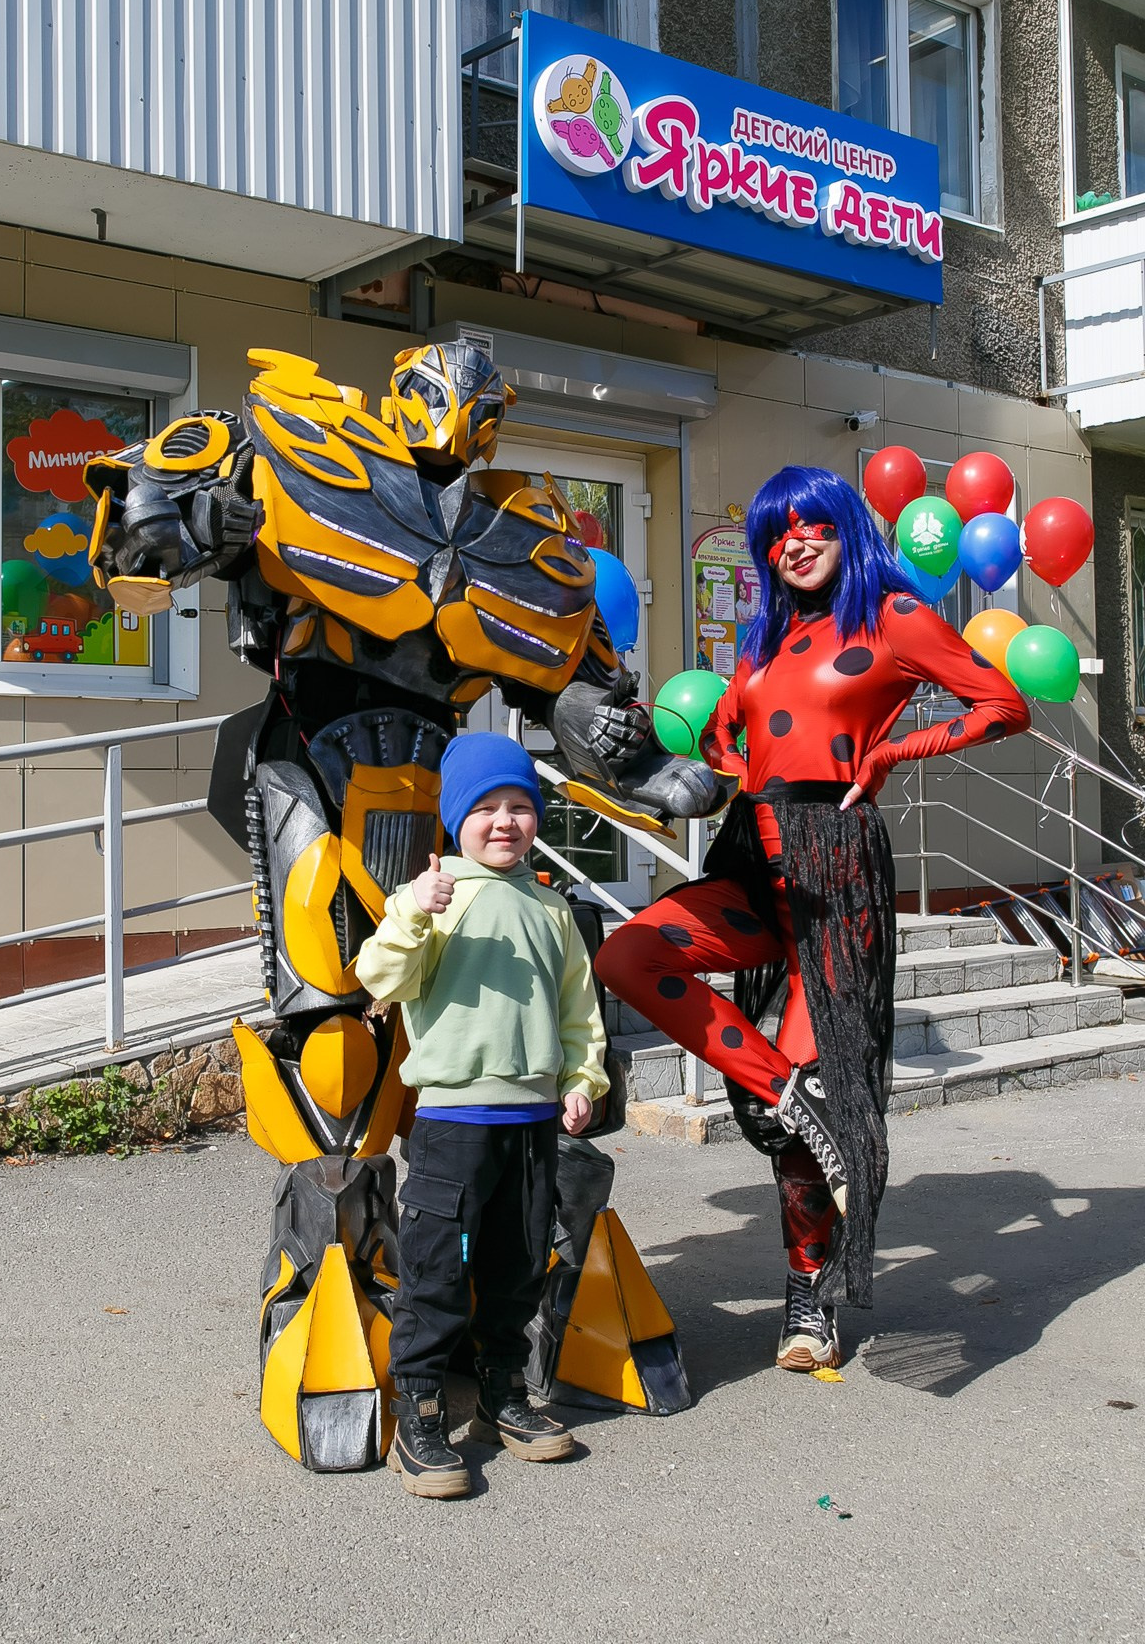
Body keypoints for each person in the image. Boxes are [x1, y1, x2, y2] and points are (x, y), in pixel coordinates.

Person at [596, 465, 1030, 1374]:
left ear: (845, 531)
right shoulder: (762, 646)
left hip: (835, 874)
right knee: (631, 955)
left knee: (801, 1124)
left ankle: (811, 1297)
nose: (795, 542)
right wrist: (704, 747)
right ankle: (795, 1099)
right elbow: (736, 746)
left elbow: (1005, 704)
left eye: (812, 525)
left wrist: (893, 753)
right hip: (750, 862)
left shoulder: (895, 621)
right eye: (777, 532)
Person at [355, 731, 609, 1499]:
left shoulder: (553, 909)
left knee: (518, 1266)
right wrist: (413, 915)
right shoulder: (432, 896)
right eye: (487, 808)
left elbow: (578, 1013)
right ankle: (423, 1409)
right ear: (457, 819)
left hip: (531, 1125)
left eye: (521, 807)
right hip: (453, 1125)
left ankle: (503, 1391)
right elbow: (381, 976)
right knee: (434, 1271)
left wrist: (582, 1078)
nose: (505, 822)